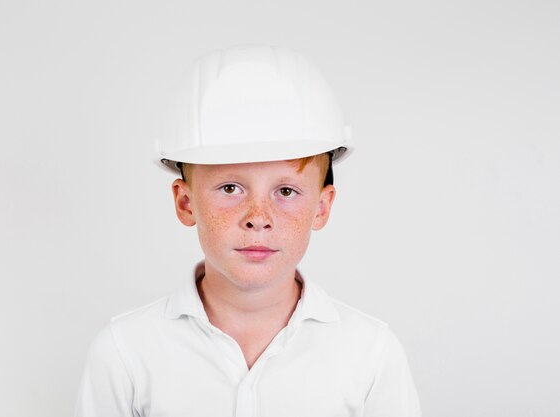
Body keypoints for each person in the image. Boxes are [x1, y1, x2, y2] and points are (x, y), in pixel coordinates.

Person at [74, 45, 421, 417]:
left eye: (286, 191)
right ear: (186, 203)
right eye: (230, 189)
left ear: (321, 207)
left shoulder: (371, 355)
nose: (259, 217)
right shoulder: (125, 352)